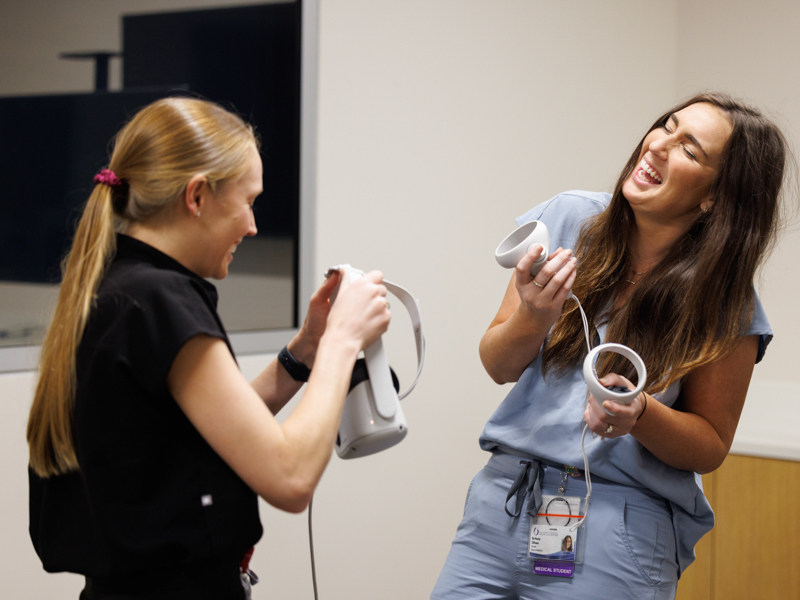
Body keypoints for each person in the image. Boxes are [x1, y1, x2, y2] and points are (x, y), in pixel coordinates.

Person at [26, 97, 391, 600]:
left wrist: (306, 350)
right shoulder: (162, 300)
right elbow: (290, 477)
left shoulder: (120, 287)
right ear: (197, 196)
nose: (253, 226)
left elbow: (210, 429)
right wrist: (344, 341)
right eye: (249, 202)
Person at [431, 92, 787, 599]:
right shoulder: (571, 219)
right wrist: (533, 315)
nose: (659, 145)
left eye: (690, 150)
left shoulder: (726, 302)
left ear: (716, 197)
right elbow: (497, 363)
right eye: (667, 125)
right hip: (502, 500)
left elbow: (710, 444)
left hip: (617, 524)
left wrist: (638, 414)